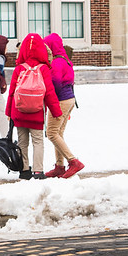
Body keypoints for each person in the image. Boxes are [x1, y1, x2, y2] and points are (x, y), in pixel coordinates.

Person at [6, 33, 62, 180]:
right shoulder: (43, 69)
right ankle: (38, 171)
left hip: (19, 113)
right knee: (38, 142)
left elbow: (11, 93)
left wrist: (8, 113)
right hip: (36, 114)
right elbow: (50, 93)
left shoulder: (19, 69)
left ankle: (24, 170)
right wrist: (56, 111)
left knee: (22, 142)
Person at [42, 33, 84, 179]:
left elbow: (56, 83)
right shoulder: (65, 59)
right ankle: (59, 167)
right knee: (58, 133)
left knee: (52, 133)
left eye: (47, 46)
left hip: (61, 100)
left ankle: (73, 161)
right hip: (69, 100)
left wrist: (48, 97)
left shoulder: (57, 62)